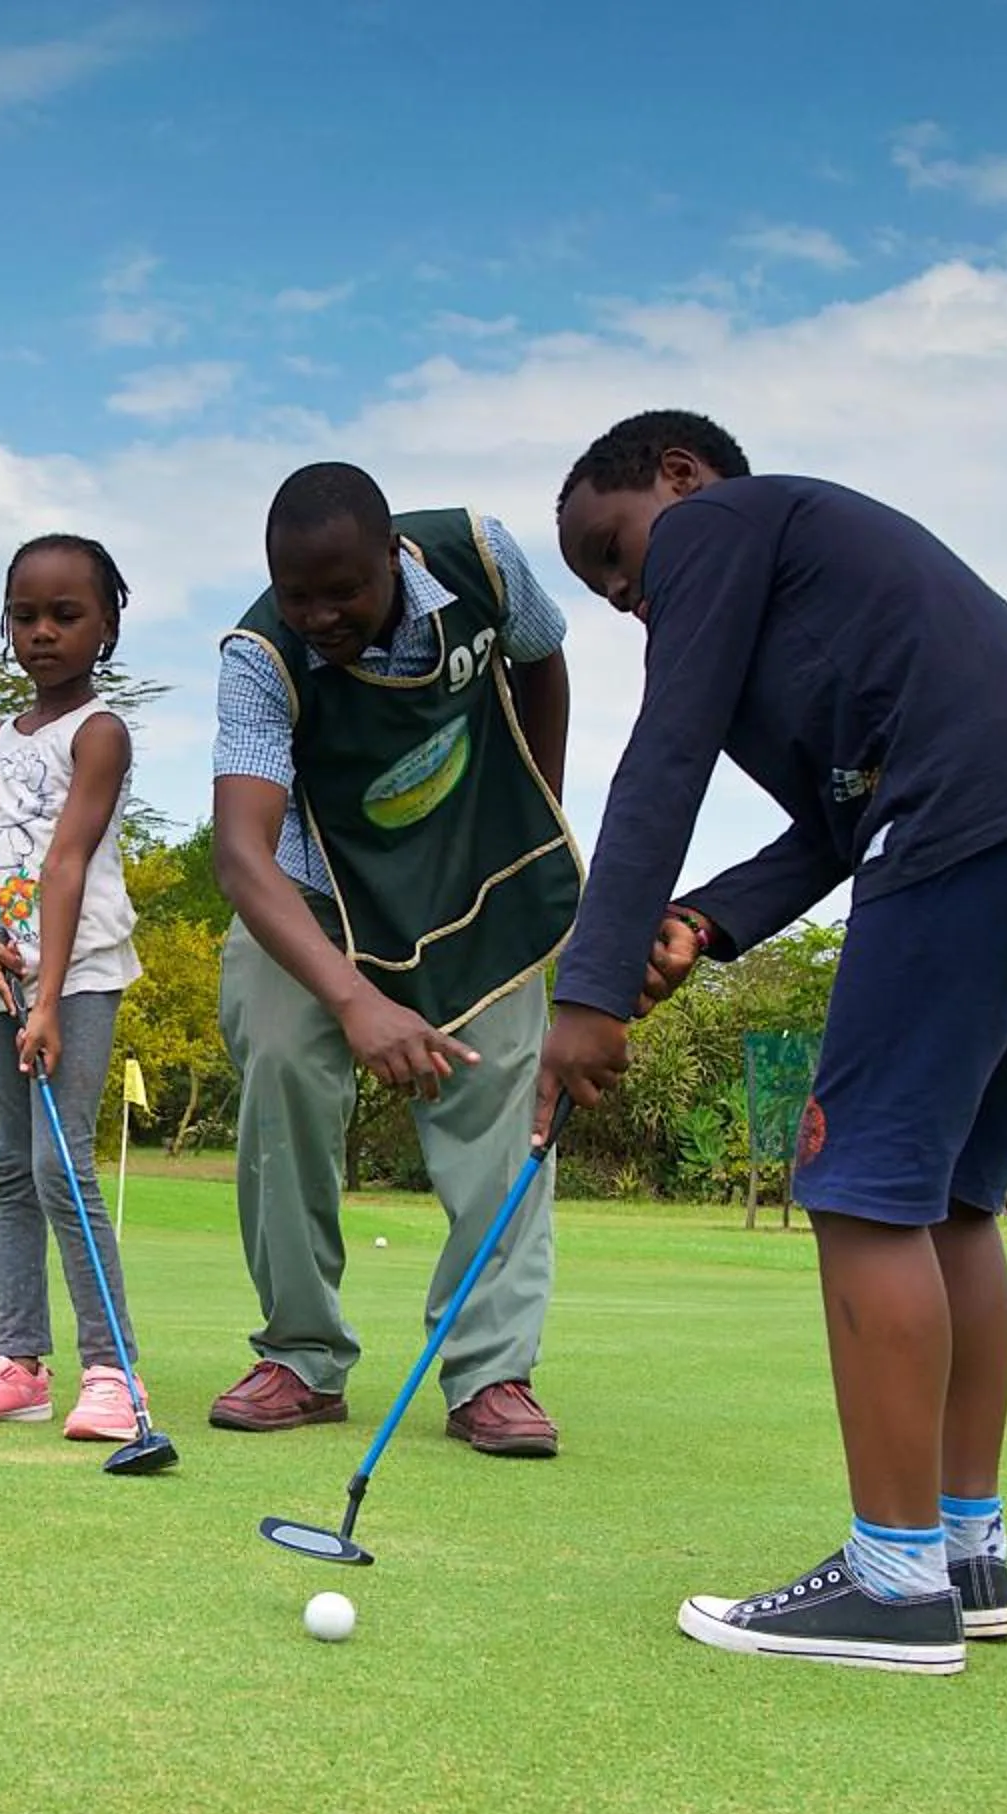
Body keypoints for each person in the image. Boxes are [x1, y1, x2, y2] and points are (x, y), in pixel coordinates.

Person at [539, 411, 1007, 1674]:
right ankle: (961, 1550)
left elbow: (662, 754)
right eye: (604, 590)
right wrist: (703, 922)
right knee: (946, 1200)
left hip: (977, 830)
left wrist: (589, 991)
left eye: (615, 555)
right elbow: (837, 826)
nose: (624, 598)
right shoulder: (817, 592)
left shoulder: (722, 522)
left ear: (678, 478)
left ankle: (891, 1585)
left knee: (863, 1189)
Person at [207, 463, 580, 1456]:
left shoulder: (484, 559)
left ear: (393, 557)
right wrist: (352, 998)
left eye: (344, 591)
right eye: (299, 594)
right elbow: (242, 854)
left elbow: (544, 659)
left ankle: (490, 1373)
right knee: (282, 1064)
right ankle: (301, 1355)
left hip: (468, 879)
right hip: (310, 896)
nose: (321, 614)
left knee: (500, 1101)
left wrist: (532, 808)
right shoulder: (258, 653)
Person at [0, 534, 151, 1445]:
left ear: (107, 625)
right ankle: (17, 1363)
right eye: (26, 615)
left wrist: (49, 997)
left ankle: (114, 1373)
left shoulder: (99, 733)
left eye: (67, 615)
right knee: (8, 1172)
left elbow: (66, 862)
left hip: (76, 977)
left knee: (64, 1170)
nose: (43, 633)